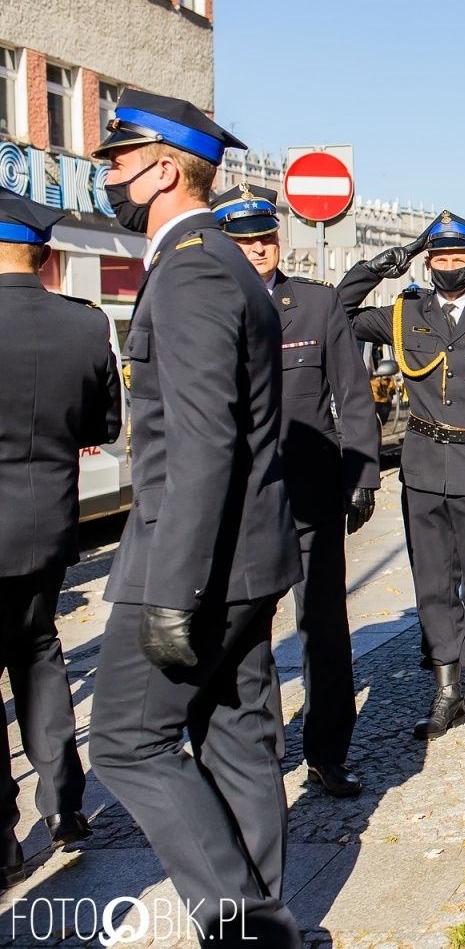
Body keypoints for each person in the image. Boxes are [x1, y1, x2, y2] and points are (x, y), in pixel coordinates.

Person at [86, 90, 303, 946]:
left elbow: (206, 444)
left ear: (164, 168)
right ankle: (268, 925)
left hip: (189, 564)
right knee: (237, 739)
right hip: (243, 559)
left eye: (118, 158)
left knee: (127, 746)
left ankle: (247, 926)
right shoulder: (224, 265)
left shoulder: (193, 269)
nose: (108, 173)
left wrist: (173, 589)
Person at [338, 211, 465, 739]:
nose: (448, 267)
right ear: (428, 262)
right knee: (432, 584)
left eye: (457, 259)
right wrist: (377, 268)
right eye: (439, 259)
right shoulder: (405, 313)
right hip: (425, 468)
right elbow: (335, 315)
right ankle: (445, 688)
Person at [211, 184, 379, 799]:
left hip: (310, 496)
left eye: (266, 238)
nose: (258, 250)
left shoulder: (314, 305)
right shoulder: (211, 305)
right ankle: (256, 757)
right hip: (237, 504)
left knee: (324, 630)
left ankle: (328, 751)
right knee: (247, 634)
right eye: (245, 241)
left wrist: (361, 477)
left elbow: (353, 397)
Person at [0, 191, 120, 885]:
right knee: (40, 652)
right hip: (47, 525)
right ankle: (64, 807)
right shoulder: (83, 325)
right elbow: (103, 428)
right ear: (42, 255)